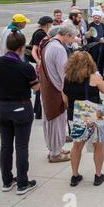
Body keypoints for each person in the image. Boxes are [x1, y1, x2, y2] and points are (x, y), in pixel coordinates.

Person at [0, 30, 40, 195]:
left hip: (0, 107)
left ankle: (7, 181)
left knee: (5, 146)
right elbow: (36, 88)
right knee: (21, 146)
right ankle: (22, 182)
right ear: (22, 48)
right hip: (20, 108)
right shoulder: (25, 66)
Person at [63, 51, 104, 187]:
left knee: (77, 146)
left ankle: (75, 175)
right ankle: (98, 175)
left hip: (75, 115)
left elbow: (65, 100)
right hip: (94, 115)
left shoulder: (67, 79)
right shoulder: (94, 78)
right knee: (98, 145)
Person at [40, 24, 78, 163]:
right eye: (72, 38)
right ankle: (55, 154)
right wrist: (67, 93)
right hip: (56, 91)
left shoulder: (49, 44)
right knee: (56, 122)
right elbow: (64, 75)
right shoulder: (59, 48)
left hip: (48, 89)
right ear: (66, 35)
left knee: (52, 123)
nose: (72, 41)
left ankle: (55, 148)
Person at [30, 16, 53, 120]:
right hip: (41, 65)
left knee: (41, 88)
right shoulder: (40, 34)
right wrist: (38, 61)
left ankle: (38, 111)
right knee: (42, 88)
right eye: (50, 24)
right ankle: (39, 112)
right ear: (47, 24)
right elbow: (34, 50)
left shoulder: (38, 32)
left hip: (41, 64)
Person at [88, 11, 104, 79]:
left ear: (100, 18)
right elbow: (91, 36)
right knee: (93, 62)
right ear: (93, 18)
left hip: (102, 46)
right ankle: (92, 77)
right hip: (94, 47)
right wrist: (98, 40)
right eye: (95, 18)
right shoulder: (90, 25)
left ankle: (101, 76)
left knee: (101, 61)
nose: (97, 19)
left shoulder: (102, 25)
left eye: (98, 18)